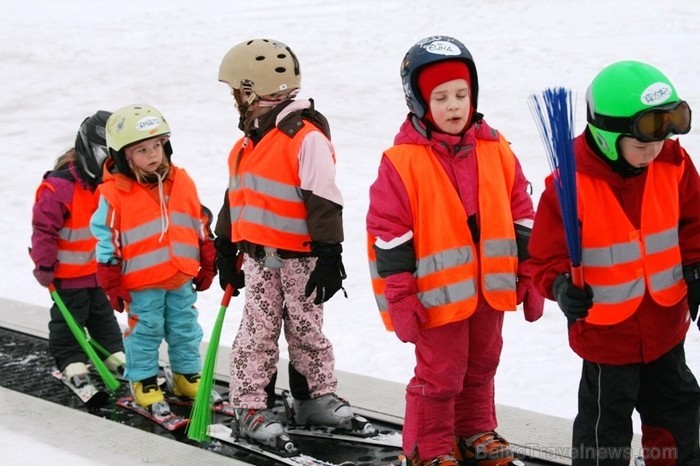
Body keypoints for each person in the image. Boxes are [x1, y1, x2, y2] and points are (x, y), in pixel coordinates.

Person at [366, 35, 543, 466]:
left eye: (462, 94)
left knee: (482, 365)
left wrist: (532, 271)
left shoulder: (497, 149)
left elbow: (521, 211)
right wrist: (401, 296)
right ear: (419, 101)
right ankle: (429, 448)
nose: (453, 106)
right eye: (441, 97)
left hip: (491, 289)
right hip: (435, 299)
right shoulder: (402, 161)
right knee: (440, 375)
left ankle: (474, 430)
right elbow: (390, 235)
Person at [528, 60, 700, 466]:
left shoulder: (673, 164)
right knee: (604, 430)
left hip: (665, 326)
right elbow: (544, 257)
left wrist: (696, 267)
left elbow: (694, 222)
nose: (653, 151)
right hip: (608, 338)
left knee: (678, 414)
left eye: (659, 141)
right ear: (606, 137)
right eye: (641, 144)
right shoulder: (570, 184)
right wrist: (558, 287)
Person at [215, 38, 354, 447]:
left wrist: (330, 253)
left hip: (304, 260)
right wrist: (225, 245)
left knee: (307, 330)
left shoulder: (303, 137)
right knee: (257, 333)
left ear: (252, 90)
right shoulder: (247, 143)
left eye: (236, 92)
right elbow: (235, 198)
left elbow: (323, 197)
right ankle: (250, 405)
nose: (234, 100)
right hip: (259, 259)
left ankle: (313, 398)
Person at [90, 104, 216, 415]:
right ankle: (144, 381)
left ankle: (187, 375)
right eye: (142, 149)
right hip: (142, 282)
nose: (153, 155)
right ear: (123, 156)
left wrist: (207, 253)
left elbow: (197, 218)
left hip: (180, 274)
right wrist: (110, 276)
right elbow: (107, 236)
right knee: (146, 331)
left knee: (185, 327)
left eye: (158, 145)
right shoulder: (114, 194)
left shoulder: (181, 180)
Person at [30, 110, 126, 391]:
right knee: (69, 320)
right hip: (68, 274)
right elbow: (43, 231)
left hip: (97, 271)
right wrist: (44, 266)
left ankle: (112, 353)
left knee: (102, 316)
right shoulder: (58, 188)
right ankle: (70, 359)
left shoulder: (110, 187)